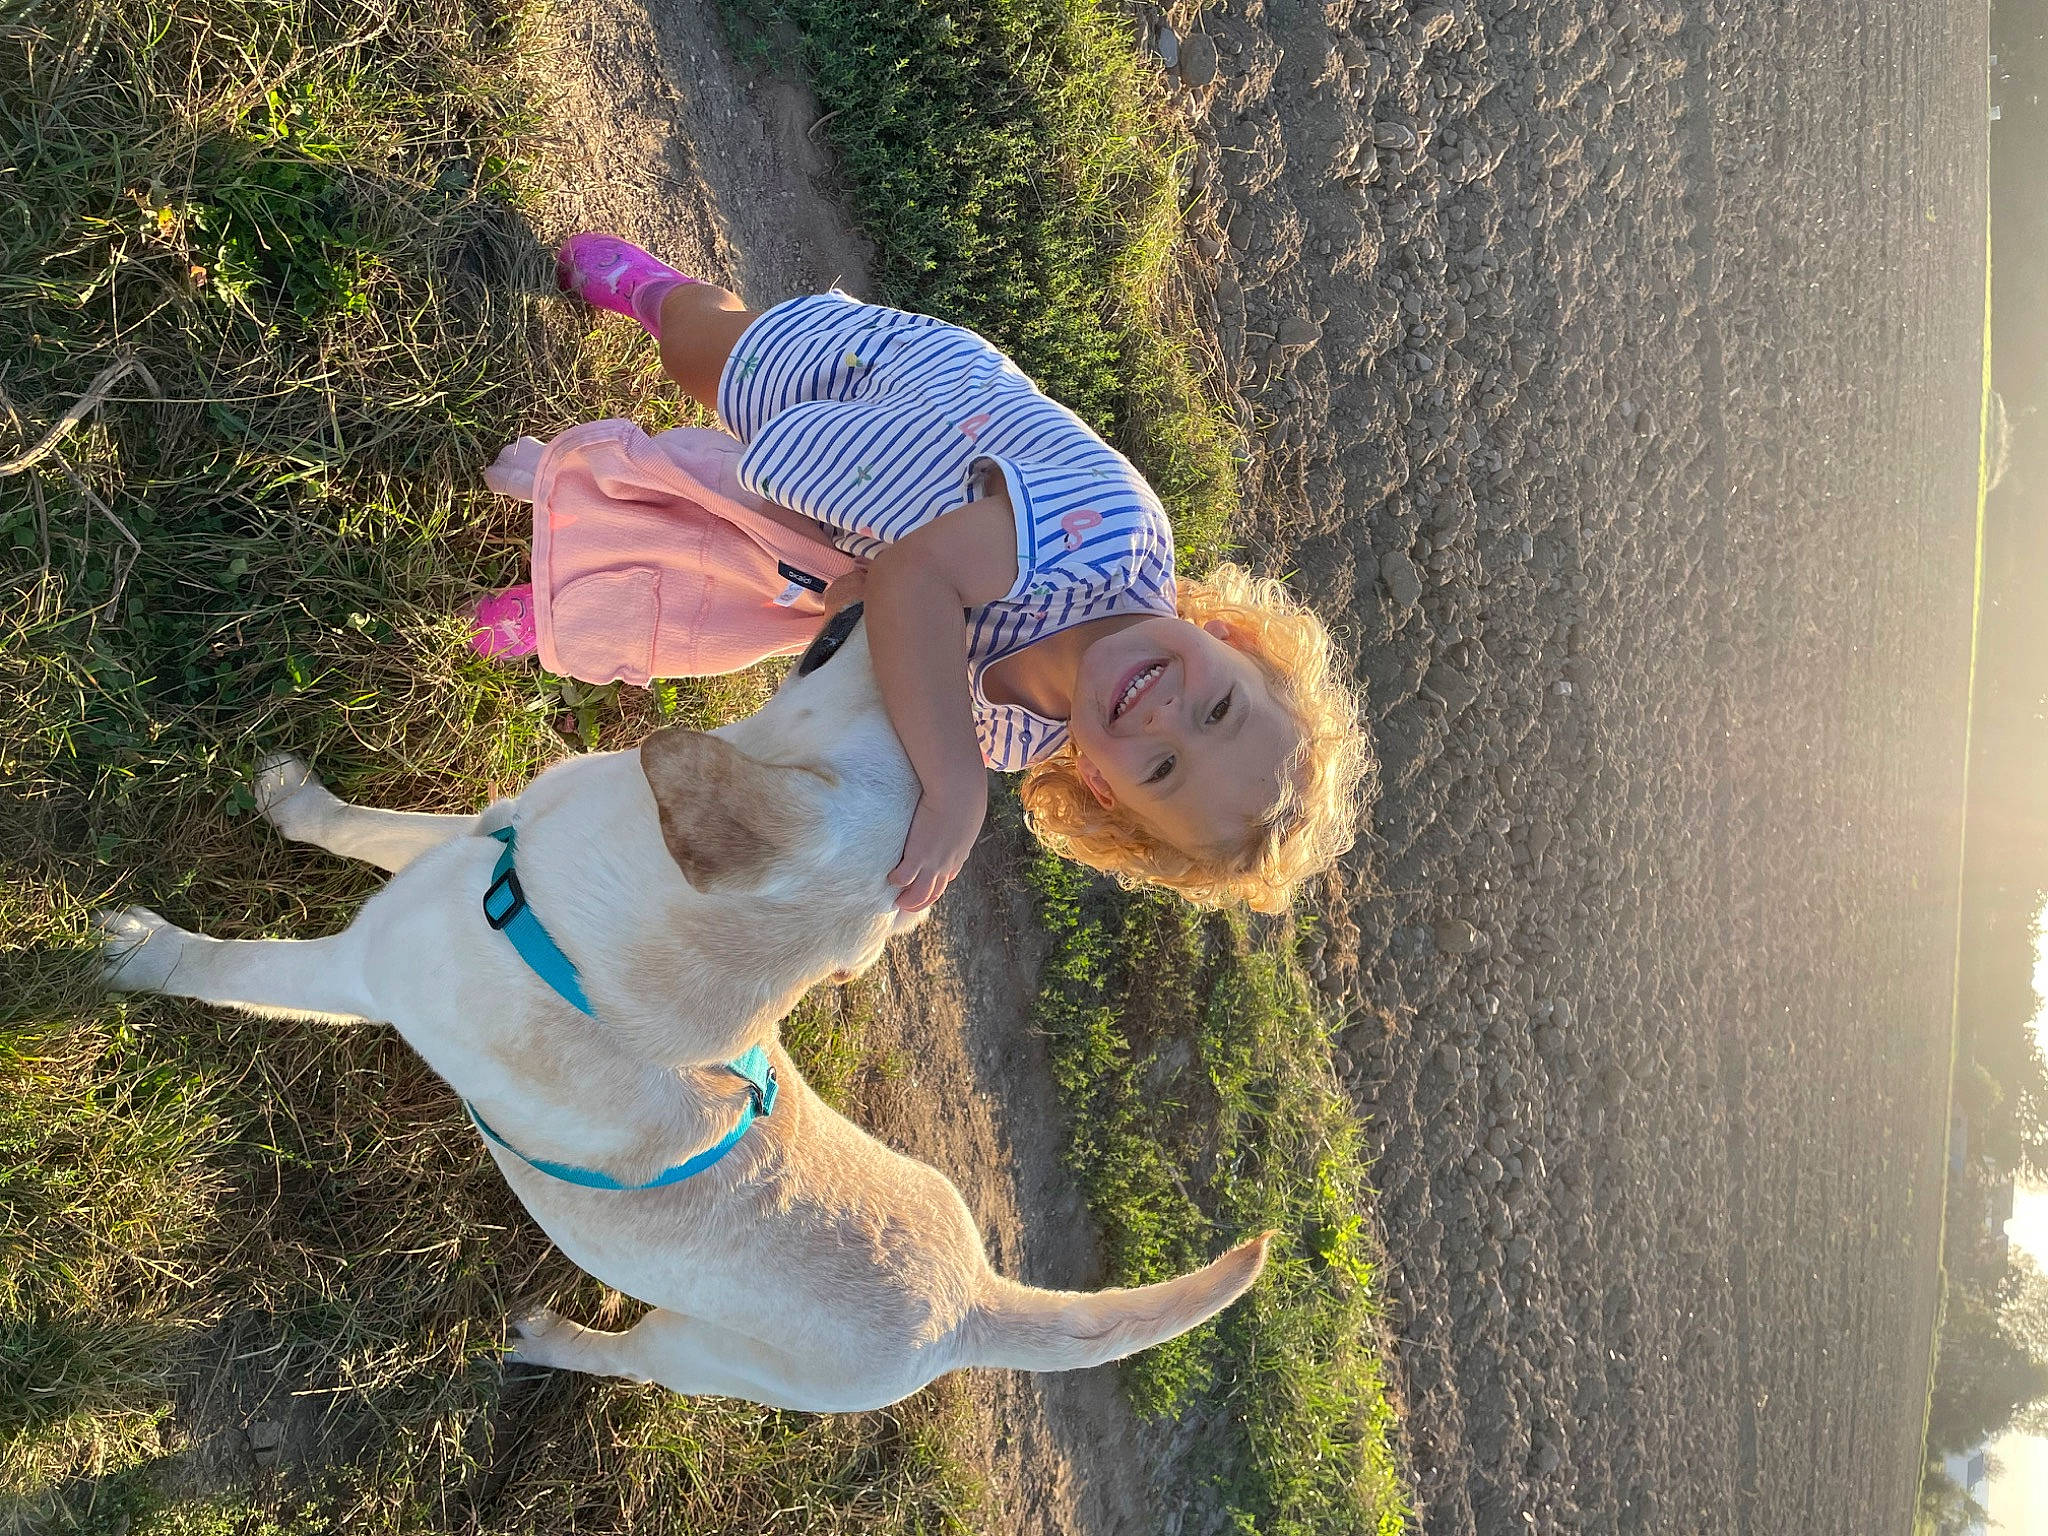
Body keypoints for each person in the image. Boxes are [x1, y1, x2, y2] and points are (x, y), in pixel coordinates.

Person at [481, 233, 1373, 915]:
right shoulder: (1115, 539)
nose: (1167, 717)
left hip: (845, 547)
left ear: (1102, 784)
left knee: (715, 574)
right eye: (1219, 707)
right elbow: (918, 577)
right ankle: (658, 292)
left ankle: (572, 595)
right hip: (882, 406)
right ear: (1229, 639)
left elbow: (888, 643)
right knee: (701, 356)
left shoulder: (1017, 740)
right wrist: (953, 789)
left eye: (1164, 770)